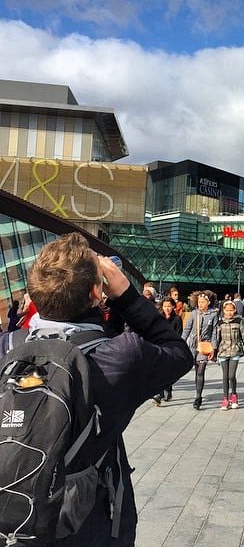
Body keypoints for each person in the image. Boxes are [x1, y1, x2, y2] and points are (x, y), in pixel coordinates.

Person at [0, 232, 192, 545]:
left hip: (12, 520)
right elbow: (178, 354)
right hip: (90, 523)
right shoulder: (122, 357)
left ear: (33, 295)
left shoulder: (6, 348)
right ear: (95, 292)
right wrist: (127, 297)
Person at [212, 300, 244, 410]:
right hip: (223, 352)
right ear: (223, 310)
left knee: (231, 375)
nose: (229, 312)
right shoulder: (220, 322)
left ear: (235, 310)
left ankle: (234, 395)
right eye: (227, 310)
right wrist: (213, 352)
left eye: (231, 310)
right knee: (225, 376)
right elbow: (216, 339)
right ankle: (225, 399)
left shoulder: (239, 321)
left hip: (235, 351)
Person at [182, 292, 218, 410]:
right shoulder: (194, 314)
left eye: (203, 302)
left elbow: (215, 332)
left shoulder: (213, 315)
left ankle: (198, 397)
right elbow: (187, 329)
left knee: (201, 371)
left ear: (208, 302)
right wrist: (181, 342)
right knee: (196, 371)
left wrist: (214, 348)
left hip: (205, 346)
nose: (200, 304)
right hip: (193, 346)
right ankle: (197, 391)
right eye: (199, 302)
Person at [152, 297, 184, 405]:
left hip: (171, 347)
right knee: (158, 370)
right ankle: (159, 394)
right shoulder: (159, 318)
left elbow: (179, 334)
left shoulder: (177, 319)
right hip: (159, 346)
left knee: (167, 371)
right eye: (165, 306)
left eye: (169, 306)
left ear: (173, 306)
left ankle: (168, 391)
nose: (167, 308)